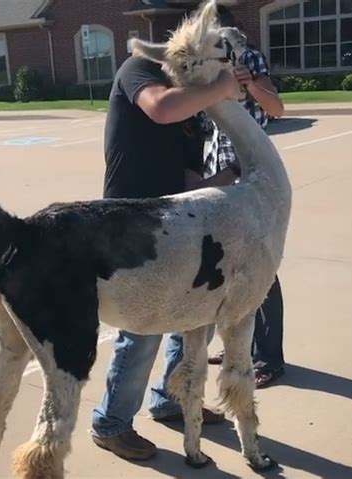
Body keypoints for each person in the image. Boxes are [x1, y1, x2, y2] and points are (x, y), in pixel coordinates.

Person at [91, 52, 242, 461]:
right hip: (133, 222)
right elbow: (159, 108)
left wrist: (228, 177)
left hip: (179, 223)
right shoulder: (139, 69)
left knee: (194, 316)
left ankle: (170, 398)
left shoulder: (191, 113)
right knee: (143, 327)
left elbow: (190, 180)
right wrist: (222, 87)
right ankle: (111, 423)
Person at [203, 36, 286, 389]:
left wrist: (249, 83)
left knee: (261, 270)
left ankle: (268, 357)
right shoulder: (202, 59)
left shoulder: (248, 57)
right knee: (226, 270)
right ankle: (237, 347)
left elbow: (277, 108)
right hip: (215, 178)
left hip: (249, 179)